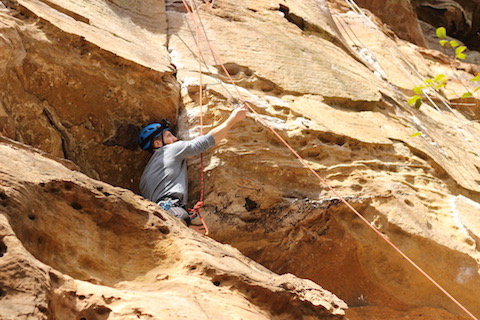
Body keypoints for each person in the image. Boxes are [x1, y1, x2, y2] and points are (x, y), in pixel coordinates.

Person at [138, 104, 248, 226]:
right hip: (172, 210)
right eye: (169, 136)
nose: (175, 139)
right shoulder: (169, 149)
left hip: (160, 211)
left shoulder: (144, 178)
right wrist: (232, 119)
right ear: (158, 143)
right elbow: (206, 141)